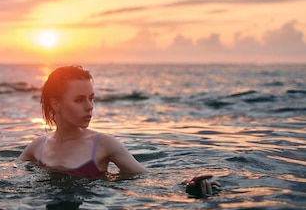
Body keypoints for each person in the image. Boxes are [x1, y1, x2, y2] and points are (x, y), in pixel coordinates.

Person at [18, 65, 219, 196]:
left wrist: (188, 185)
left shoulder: (104, 144)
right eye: (79, 100)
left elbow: (147, 178)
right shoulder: (38, 146)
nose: (89, 106)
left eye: (91, 98)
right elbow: (7, 177)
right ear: (56, 104)